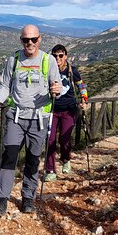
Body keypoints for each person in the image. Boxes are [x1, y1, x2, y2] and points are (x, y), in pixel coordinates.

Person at [0, 25, 62, 216]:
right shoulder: (13, 59)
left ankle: (28, 197)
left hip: (39, 119)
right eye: (25, 40)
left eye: (33, 39)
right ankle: (1, 200)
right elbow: (5, 85)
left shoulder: (48, 60)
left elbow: (57, 85)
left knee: (33, 159)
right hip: (16, 116)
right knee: (9, 156)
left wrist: (57, 91)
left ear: (40, 39)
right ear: (21, 40)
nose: (29, 43)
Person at [43, 45, 88, 181]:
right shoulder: (48, 71)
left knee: (64, 138)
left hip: (69, 109)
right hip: (52, 110)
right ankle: (50, 170)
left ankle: (66, 159)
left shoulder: (71, 71)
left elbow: (81, 86)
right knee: (49, 139)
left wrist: (84, 101)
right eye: (55, 56)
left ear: (65, 56)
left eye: (60, 56)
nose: (58, 58)